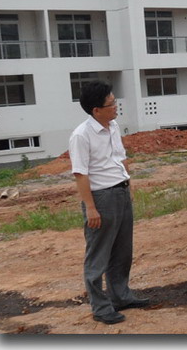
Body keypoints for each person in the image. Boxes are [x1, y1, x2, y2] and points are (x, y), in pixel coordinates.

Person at [69, 80, 149, 325]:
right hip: (101, 198)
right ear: (96, 110)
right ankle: (101, 307)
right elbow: (81, 174)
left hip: (120, 192)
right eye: (111, 104)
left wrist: (128, 186)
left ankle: (121, 296)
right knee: (98, 254)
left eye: (115, 102)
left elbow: (120, 159)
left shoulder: (113, 126)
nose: (116, 107)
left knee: (122, 251)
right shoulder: (81, 135)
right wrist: (91, 207)